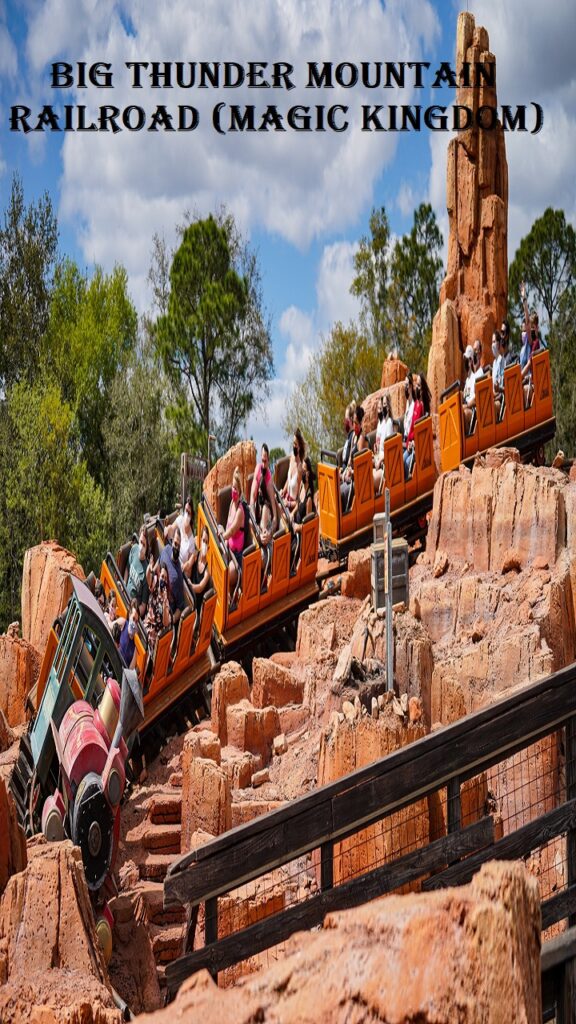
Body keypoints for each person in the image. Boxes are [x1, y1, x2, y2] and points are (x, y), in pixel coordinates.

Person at [250, 444, 278, 576]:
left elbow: (275, 519)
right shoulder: (257, 469)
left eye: (265, 460)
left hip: (266, 542)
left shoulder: (269, 483)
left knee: (260, 556)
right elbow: (251, 498)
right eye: (261, 459)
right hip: (257, 535)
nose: (263, 462)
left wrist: (269, 533)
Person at [219, 466, 247, 598]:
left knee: (227, 572)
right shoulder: (231, 503)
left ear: (240, 492)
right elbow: (226, 525)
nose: (233, 491)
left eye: (236, 488)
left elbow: (231, 531)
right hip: (228, 551)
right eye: (232, 487)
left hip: (237, 558)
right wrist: (223, 542)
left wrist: (222, 536)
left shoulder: (240, 511)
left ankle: (229, 602)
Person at [341, 406, 368, 509]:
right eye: (353, 422)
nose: (354, 425)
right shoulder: (353, 436)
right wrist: (346, 470)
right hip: (351, 476)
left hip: (358, 479)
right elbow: (349, 462)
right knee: (338, 489)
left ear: (361, 423)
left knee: (342, 492)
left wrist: (351, 472)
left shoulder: (361, 438)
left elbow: (359, 465)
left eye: (356, 423)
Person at [158, 526, 186, 625]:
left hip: (166, 611)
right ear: (172, 541)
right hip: (157, 598)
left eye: (178, 545)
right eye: (175, 543)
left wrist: (171, 620)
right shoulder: (165, 550)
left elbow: (180, 607)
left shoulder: (178, 576)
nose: (176, 547)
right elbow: (157, 568)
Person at [144, 564, 171, 661]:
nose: (163, 579)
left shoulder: (166, 600)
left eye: (165, 578)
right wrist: (150, 566)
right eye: (162, 576)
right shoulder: (154, 587)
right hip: (146, 627)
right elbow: (148, 576)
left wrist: (164, 603)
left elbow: (166, 623)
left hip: (155, 636)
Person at [165, 495, 197, 578]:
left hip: (179, 570)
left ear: (192, 516)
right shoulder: (180, 519)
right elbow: (171, 529)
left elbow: (189, 572)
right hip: (172, 558)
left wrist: (186, 566)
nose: (186, 514)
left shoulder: (191, 541)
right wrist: (167, 528)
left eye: (188, 512)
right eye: (185, 511)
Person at [126, 526, 150, 618]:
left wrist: (133, 613)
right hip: (125, 596)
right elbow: (127, 570)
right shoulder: (134, 549)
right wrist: (124, 585)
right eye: (140, 542)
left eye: (144, 545)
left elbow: (143, 607)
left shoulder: (146, 571)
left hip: (133, 610)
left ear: (147, 547)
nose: (141, 547)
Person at [373, 394, 394, 493]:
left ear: (388, 407)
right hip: (380, 460)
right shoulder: (383, 423)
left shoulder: (389, 423)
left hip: (385, 464)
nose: (383, 408)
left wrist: (380, 460)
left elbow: (389, 449)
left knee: (371, 480)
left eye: (385, 404)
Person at [403, 380, 424, 479]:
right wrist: (408, 444)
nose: (417, 388)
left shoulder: (421, 406)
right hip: (411, 444)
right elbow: (412, 428)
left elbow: (422, 428)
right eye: (416, 385)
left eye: (419, 385)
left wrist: (415, 442)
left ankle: (410, 481)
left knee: (407, 462)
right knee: (402, 460)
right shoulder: (415, 405)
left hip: (419, 445)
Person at [282, 429, 305, 512]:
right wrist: (283, 491)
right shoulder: (291, 457)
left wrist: (288, 504)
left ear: (300, 446)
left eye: (295, 444)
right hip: (285, 499)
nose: (294, 446)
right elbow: (289, 480)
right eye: (293, 443)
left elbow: (300, 500)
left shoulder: (301, 468)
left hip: (292, 506)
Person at [190, 524, 211, 615]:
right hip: (189, 597)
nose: (204, 544)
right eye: (203, 541)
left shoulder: (207, 571)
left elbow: (199, 588)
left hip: (197, 607)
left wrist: (189, 586)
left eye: (206, 542)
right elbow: (188, 565)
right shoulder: (195, 555)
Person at [119, 599, 139, 670]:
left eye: (136, 621)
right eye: (133, 619)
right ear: (129, 615)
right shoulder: (123, 623)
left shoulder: (135, 649)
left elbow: (130, 670)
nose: (134, 623)